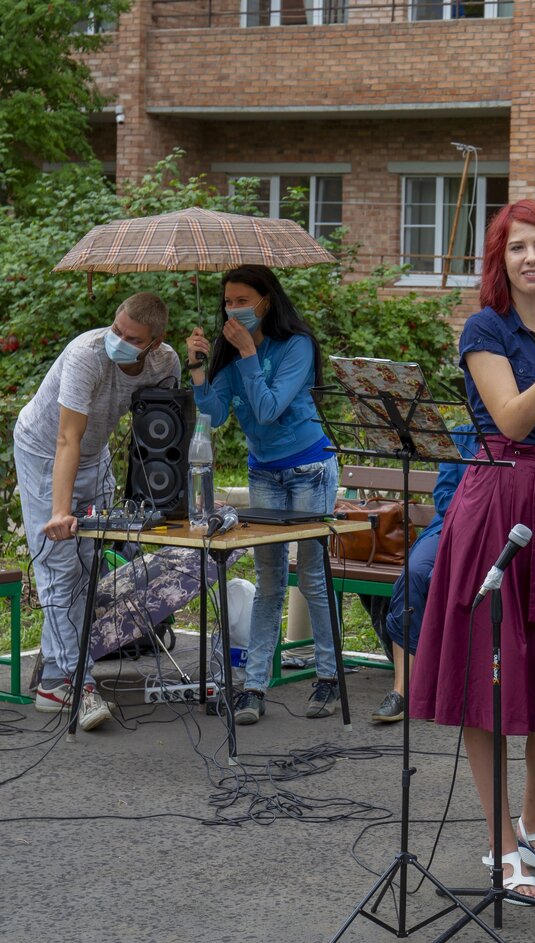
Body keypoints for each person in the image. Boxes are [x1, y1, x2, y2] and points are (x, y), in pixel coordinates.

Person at [409, 200, 535, 900]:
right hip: (495, 497)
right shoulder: (485, 328)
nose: (532, 257)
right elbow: (513, 416)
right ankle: (498, 836)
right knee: (486, 673)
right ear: (498, 261)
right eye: (517, 247)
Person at [15, 292, 180, 730]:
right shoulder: (86, 355)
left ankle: (53, 679)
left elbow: (165, 431)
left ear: (155, 342)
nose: (118, 340)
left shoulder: (166, 363)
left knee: (89, 569)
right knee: (57, 566)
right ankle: (79, 685)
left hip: (95, 456)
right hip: (44, 452)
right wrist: (59, 511)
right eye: (116, 329)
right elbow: (67, 438)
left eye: (132, 337)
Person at [186, 265, 341, 726]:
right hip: (264, 474)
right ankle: (253, 687)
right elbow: (214, 416)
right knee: (268, 581)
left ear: (266, 301)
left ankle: (328, 679)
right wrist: (198, 370)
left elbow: (270, 410)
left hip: (309, 467)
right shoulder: (231, 354)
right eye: (227, 302)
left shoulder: (296, 345)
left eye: (242, 300)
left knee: (311, 577)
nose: (233, 309)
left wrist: (250, 353)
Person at [368, 425, 477, 724]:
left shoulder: (519, 434)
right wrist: (470, 511)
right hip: (451, 526)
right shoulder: (462, 434)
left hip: (493, 530)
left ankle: (454, 686)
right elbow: (443, 494)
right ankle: (403, 692)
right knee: (414, 573)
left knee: (464, 578)